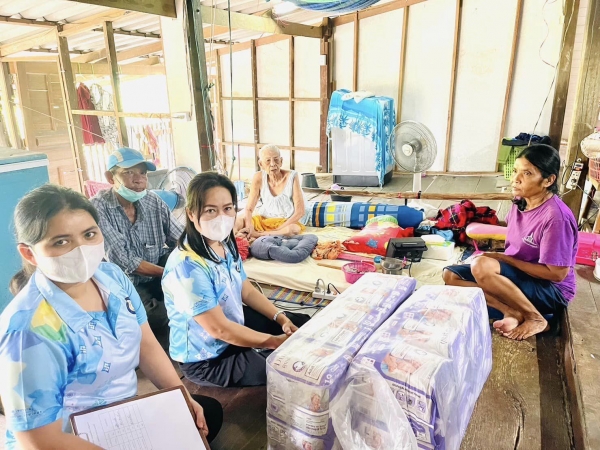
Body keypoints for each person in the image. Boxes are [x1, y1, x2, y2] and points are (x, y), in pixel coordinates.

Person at [0, 185, 222, 450]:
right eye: (61, 241)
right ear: (29, 253)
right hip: (70, 438)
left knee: (204, 414)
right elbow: (39, 441)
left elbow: (146, 345)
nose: (80, 249)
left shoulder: (112, 278)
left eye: (89, 234)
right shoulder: (28, 333)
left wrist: (181, 396)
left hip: (121, 418)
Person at [162, 172, 311, 387]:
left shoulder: (225, 245)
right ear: (191, 213)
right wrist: (273, 342)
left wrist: (281, 318)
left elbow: (246, 291)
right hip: (207, 358)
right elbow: (219, 330)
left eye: (227, 208)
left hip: (231, 323)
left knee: (301, 323)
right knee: (284, 371)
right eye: (210, 210)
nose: (221, 217)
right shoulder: (186, 266)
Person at [443, 144, 578, 340]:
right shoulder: (520, 202)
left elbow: (557, 274)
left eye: (527, 173)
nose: (516, 178)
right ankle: (511, 311)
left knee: (482, 266)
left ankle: (535, 318)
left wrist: (504, 259)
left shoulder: (556, 218)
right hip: (522, 276)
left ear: (548, 180)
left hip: (551, 290)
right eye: (515, 171)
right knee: (451, 276)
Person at [91, 147, 183, 342]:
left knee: (192, 287)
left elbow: (181, 239)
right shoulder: (98, 208)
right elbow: (125, 261)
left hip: (156, 271)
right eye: (128, 172)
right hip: (125, 282)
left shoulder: (153, 201)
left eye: (142, 173)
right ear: (110, 177)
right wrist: (169, 273)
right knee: (158, 317)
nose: (138, 179)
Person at [236, 144, 307, 238]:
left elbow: (300, 212)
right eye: (268, 160)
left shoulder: (292, 176)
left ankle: (260, 235)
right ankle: (233, 238)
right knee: (237, 220)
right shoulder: (258, 177)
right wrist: (249, 228)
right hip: (264, 220)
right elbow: (249, 209)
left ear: (281, 161)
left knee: (293, 229)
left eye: (276, 160)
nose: (273, 164)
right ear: (261, 164)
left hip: (286, 221)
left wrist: (277, 230)